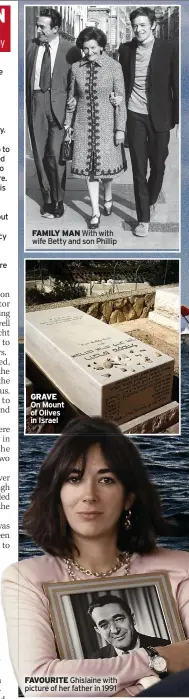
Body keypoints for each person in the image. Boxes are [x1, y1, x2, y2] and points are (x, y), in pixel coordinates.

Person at [1, 416, 189, 698]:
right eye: (74, 479)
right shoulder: (26, 578)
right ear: (57, 494)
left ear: (128, 498)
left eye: (106, 479)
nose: (89, 495)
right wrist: (154, 663)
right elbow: (39, 685)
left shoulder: (180, 566)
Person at [118, 6, 179, 237]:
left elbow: (177, 83)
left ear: (153, 25)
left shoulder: (169, 48)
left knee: (159, 166)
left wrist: (178, 118)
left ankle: (151, 198)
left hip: (161, 116)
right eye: (135, 26)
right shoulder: (125, 49)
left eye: (143, 25)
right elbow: (121, 82)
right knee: (138, 168)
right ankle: (143, 218)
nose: (138, 29)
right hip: (134, 114)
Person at [64, 27, 127, 230]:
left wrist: (120, 128)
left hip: (107, 124)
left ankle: (107, 195)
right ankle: (95, 211)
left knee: (106, 170)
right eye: (85, 48)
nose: (89, 52)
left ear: (101, 46)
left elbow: (121, 100)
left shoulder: (114, 66)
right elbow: (71, 98)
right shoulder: (76, 68)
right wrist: (68, 124)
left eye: (93, 47)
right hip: (82, 125)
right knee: (89, 171)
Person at [26, 8, 79, 220]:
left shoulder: (71, 50)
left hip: (59, 107)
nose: (37, 29)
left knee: (56, 156)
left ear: (55, 29)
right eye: (37, 25)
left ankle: (59, 200)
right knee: (39, 154)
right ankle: (47, 198)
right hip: (37, 104)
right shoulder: (31, 46)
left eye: (42, 27)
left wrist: (75, 100)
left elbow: (78, 80)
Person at [89, 594, 168, 658]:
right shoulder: (95, 661)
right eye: (104, 625)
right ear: (98, 631)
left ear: (132, 619)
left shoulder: (166, 647)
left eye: (119, 619)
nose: (114, 630)